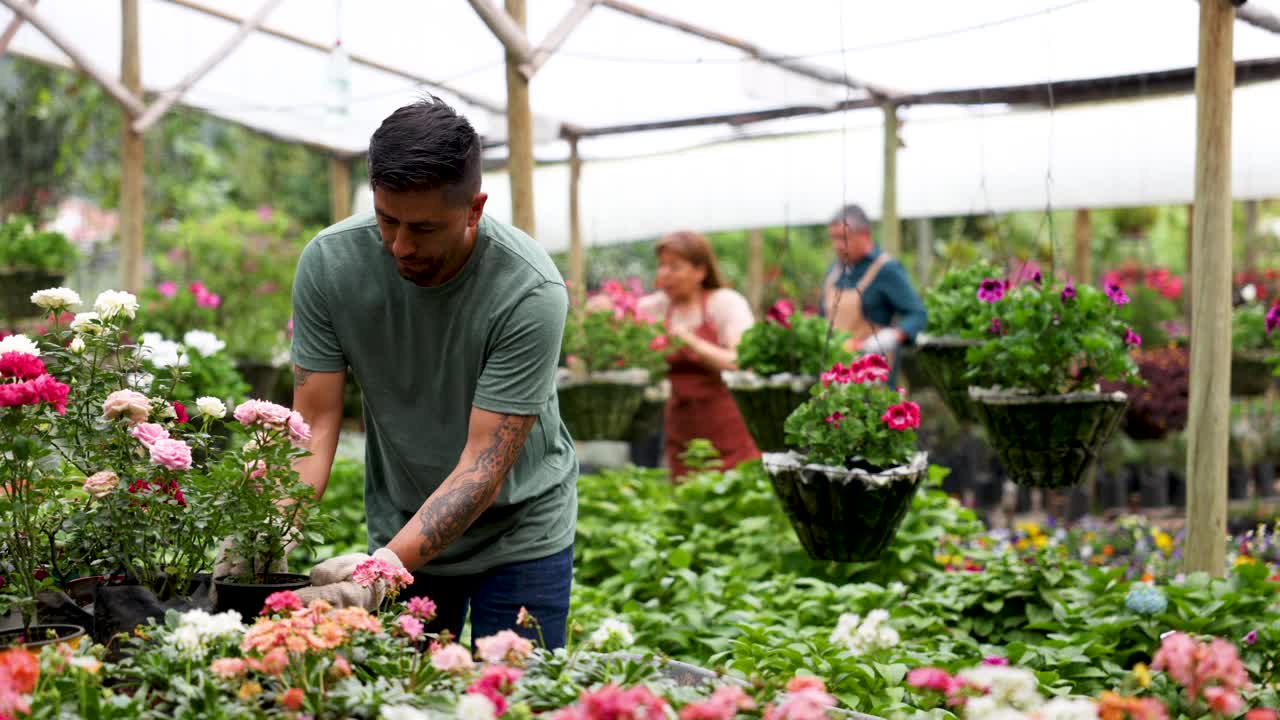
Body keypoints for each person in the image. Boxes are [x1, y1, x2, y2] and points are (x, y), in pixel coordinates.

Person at [246, 97, 578, 649]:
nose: (399, 245)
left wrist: (377, 575)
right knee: (406, 700)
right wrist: (269, 528)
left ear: (475, 209)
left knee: (517, 698)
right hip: (401, 522)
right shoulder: (330, 265)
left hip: (521, 535)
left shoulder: (528, 290)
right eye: (386, 219)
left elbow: (482, 467)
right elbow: (316, 422)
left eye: (424, 228)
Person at [636, 231, 759, 480]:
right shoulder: (656, 307)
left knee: (735, 498)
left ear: (700, 271)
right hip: (681, 426)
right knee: (686, 499)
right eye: (662, 266)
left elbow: (739, 362)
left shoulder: (725, 303)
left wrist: (691, 341)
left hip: (727, 424)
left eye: (675, 267)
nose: (664, 274)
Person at [819, 204, 927, 383]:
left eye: (843, 238)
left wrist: (890, 337)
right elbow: (821, 319)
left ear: (865, 235)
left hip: (873, 375)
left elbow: (917, 315)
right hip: (836, 375)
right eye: (833, 238)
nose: (836, 245)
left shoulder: (886, 269)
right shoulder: (834, 271)